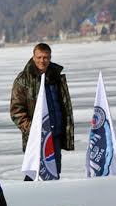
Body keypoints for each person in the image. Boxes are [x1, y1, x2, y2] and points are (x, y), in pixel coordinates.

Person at [10, 42, 74, 179]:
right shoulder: (23, 80)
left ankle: (53, 199)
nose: (42, 61)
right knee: (34, 173)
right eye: (39, 57)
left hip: (55, 134)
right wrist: (33, 129)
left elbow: (63, 105)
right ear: (33, 57)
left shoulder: (56, 78)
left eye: (45, 57)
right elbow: (16, 111)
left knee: (54, 172)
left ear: (50, 58)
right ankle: (30, 198)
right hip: (36, 138)